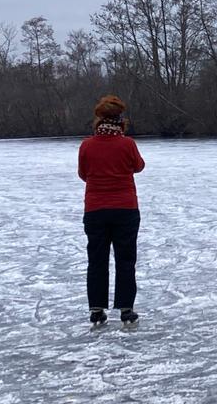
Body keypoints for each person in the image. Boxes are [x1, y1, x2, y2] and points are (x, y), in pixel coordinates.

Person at [78, 95, 145, 325]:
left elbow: (83, 174)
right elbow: (139, 166)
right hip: (125, 209)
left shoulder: (87, 145)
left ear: (98, 119)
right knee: (125, 259)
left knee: (96, 260)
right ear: (120, 119)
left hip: (95, 210)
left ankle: (96, 310)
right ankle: (126, 309)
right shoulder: (127, 144)